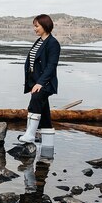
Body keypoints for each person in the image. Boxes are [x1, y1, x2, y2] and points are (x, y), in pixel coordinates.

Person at [17, 14, 61, 151]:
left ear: (45, 26)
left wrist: (40, 83)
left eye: (37, 26)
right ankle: (48, 146)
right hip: (36, 82)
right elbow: (32, 63)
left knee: (35, 101)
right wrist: (31, 83)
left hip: (46, 83)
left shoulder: (53, 43)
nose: (35, 29)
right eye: (34, 26)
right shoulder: (39, 41)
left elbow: (51, 66)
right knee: (44, 112)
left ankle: (30, 134)